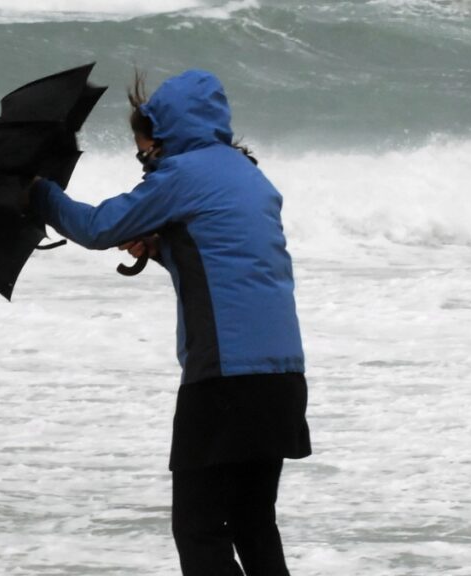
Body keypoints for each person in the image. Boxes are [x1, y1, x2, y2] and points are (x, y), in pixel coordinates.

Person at [27, 69, 311, 576]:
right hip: (281, 379)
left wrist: (38, 191)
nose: (145, 166)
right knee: (253, 523)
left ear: (164, 136)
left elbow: (96, 228)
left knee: (198, 530)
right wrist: (162, 249)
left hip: (225, 377)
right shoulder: (250, 175)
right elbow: (228, 259)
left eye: (143, 154)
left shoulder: (182, 174)